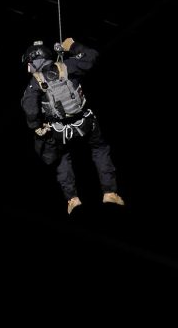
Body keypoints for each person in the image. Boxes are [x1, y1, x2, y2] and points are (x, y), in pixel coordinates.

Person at [20, 38, 125, 215]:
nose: (28, 68)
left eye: (29, 64)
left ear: (36, 61)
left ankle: (72, 199)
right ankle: (110, 192)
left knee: (62, 159)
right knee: (99, 149)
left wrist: (36, 126)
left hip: (60, 131)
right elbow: (91, 56)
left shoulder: (35, 83)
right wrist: (72, 46)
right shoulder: (68, 66)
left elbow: (29, 107)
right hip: (85, 122)